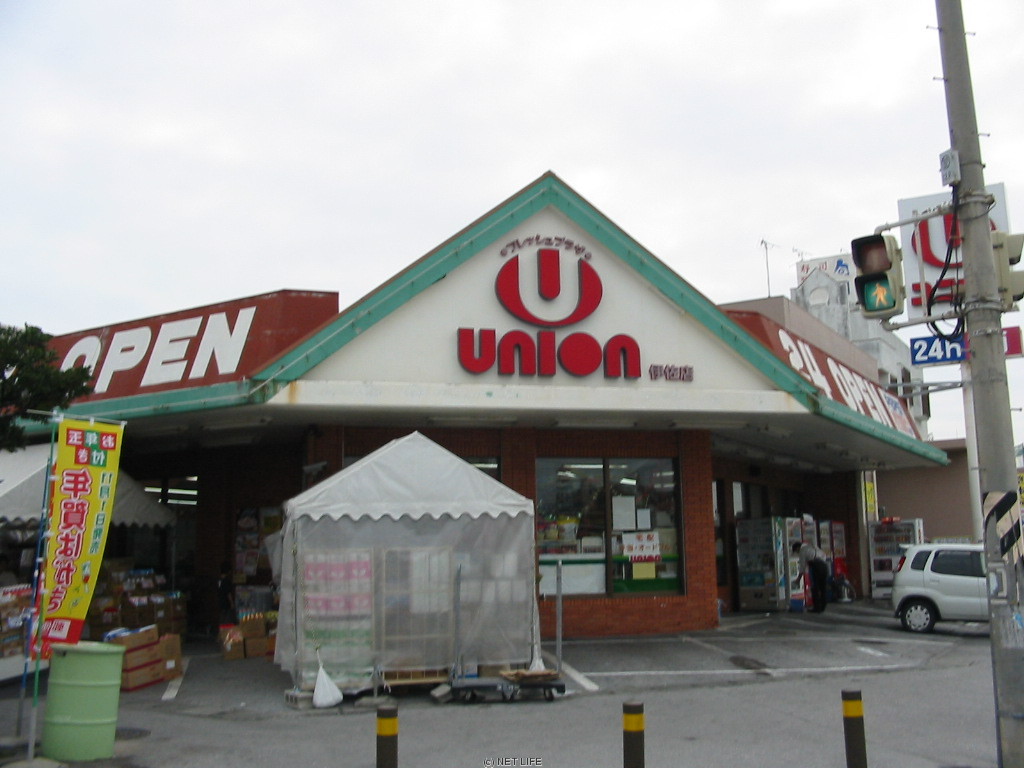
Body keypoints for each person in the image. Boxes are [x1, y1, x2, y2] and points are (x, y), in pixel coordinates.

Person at [792, 540, 830, 613]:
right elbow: (824, 555)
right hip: (824, 566)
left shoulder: (802, 550)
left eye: (796, 551)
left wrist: (798, 579)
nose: (797, 553)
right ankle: (823, 607)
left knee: (815, 588)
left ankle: (816, 608)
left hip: (816, 566)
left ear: (797, 548)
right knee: (823, 587)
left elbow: (802, 566)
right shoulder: (812, 547)